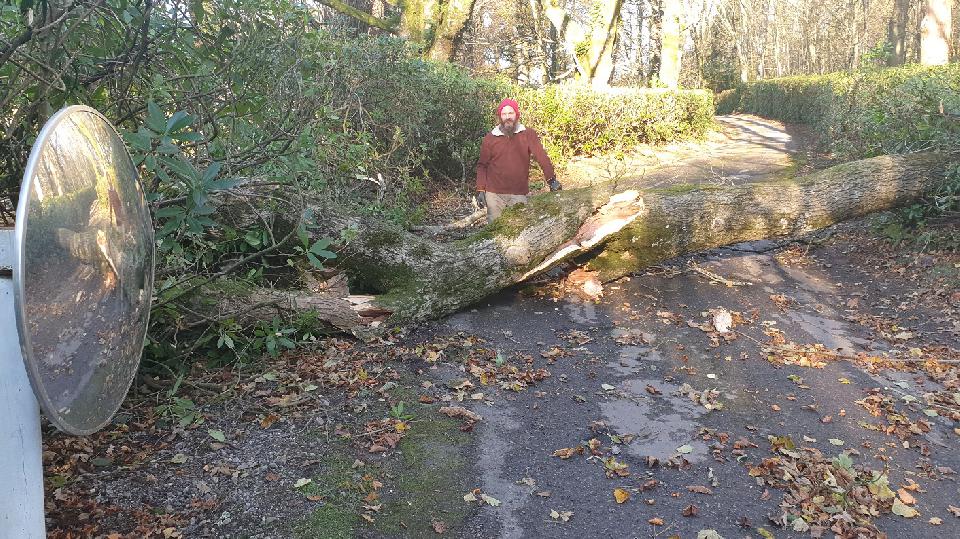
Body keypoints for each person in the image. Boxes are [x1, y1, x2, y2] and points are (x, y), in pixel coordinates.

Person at [475, 98, 562, 223]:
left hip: (518, 193)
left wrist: (551, 180)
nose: (507, 117)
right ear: (499, 116)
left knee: (520, 228)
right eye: (504, 114)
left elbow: (541, 157)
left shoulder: (528, 134)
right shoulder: (491, 137)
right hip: (494, 195)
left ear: (517, 115)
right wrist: (481, 189)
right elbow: (482, 165)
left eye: (511, 113)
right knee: (494, 230)